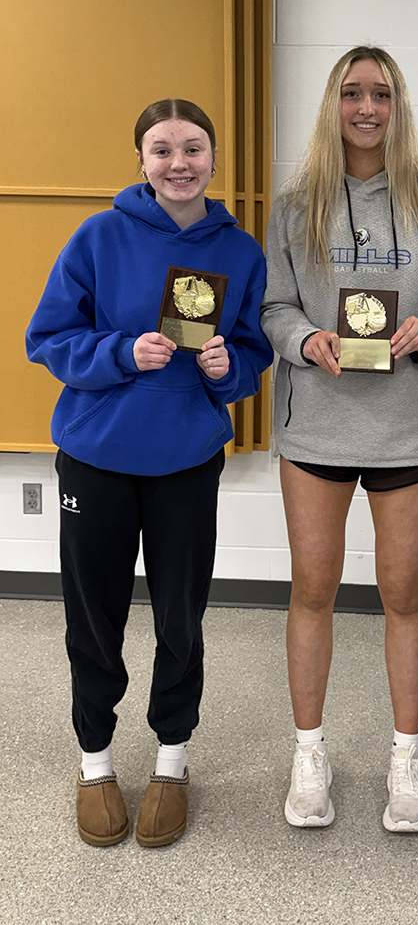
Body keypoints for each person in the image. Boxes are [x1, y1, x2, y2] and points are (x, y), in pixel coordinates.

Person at [26, 99, 273, 848]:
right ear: (140, 160)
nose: (178, 163)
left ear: (214, 158)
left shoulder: (240, 252)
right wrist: (120, 354)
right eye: (162, 149)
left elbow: (252, 351)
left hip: (186, 462)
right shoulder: (97, 236)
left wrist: (230, 370)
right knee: (93, 617)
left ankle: (172, 759)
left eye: (193, 148)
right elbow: (48, 337)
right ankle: (95, 761)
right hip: (96, 457)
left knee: (179, 617)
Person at [261, 46, 418, 832]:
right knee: (312, 588)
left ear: (398, 105)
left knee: (403, 593)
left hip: (406, 431)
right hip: (316, 422)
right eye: (352, 93)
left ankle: (405, 759)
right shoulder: (296, 205)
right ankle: (308, 753)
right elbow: (274, 307)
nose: (366, 108)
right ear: (334, 104)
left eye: (381, 94)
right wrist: (305, 340)